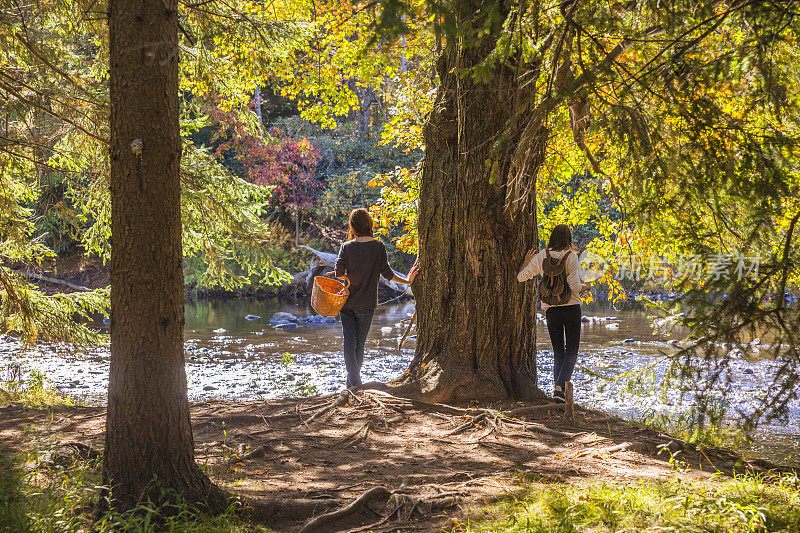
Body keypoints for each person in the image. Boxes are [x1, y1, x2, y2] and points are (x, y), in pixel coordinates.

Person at [329, 208, 418, 389]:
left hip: (347, 302)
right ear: (369, 224)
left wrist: (347, 278)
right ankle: (356, 384)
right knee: (359, 345)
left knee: (349, 342)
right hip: (366, 304)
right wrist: (408, 280)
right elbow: (388, 274)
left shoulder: (346, 247)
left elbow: (339, 273)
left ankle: (352, 385)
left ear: (353, 226)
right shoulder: (378, 247)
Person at [517, 225, 589, 402]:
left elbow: (521, 277)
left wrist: (527, 263)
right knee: (571, 350)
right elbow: (574, 285)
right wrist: (585, 287)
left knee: (558, 351)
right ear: (568, 239)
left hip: (551, 310)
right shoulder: (570, 256)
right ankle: (559, 389)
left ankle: (558, 391)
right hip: (571, 308)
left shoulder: (542, 255)